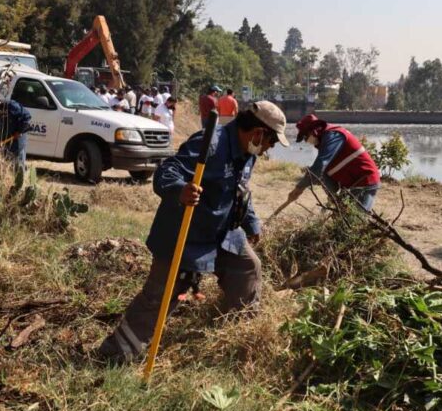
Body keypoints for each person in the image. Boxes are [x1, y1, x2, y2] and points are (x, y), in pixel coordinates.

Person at [97, 101, 289, 364]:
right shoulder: (210, 143)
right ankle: (115, 354)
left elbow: (240, 191)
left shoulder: (248, 153)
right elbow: (166, 172)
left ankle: (240, 335)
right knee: (161, 297)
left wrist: (251, 223)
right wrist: (181, 189)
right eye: (271, 142)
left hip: (222, 232)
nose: (269, 148)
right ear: (258, 133)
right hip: (185, 234)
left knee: (247, 267)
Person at [287, 113, 380, 211]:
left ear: (314, 130)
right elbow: (325, 173)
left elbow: (319, 166)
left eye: (305, 136)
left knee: (356, 220)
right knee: (342, 219)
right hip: (351, 187)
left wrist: (299, 187)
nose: (306, 141)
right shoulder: (325, 143)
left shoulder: (334, 135)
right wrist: (333, 199)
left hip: (365, 182)